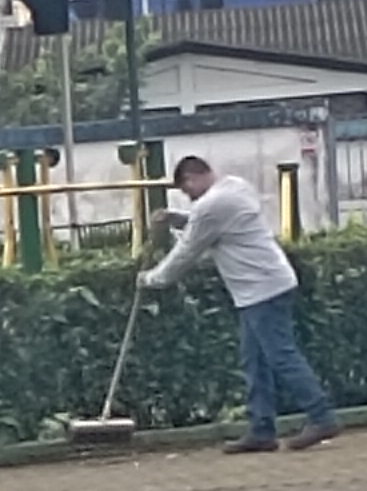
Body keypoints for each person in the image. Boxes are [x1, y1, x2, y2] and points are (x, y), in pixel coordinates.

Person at [142, 156, 339, 454]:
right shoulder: (235, 187)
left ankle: (321, 417)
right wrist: (176, 218)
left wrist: (151, 279)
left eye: (186, 189)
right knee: (255, 360)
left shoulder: (211, 206)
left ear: (193, 178)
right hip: (264, 286)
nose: (189, 196)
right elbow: (211, 223)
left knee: (281, 356)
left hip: (262, 289)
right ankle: (262, 430)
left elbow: (187, 250)